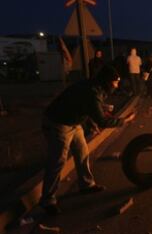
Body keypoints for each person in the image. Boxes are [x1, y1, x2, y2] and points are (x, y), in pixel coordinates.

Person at [40, 65, 136, 215]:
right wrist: (125, 120)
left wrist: (90, 123)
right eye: (115, 83)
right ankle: (47, 200)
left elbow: (84, 107)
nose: (117, 86)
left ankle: (86, 185)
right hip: (58, 123)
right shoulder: (92, 92)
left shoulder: (96, 88)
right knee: (58, 161)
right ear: (106, 81)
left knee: (82, 152)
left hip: (73, 122)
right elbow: (103, 120)